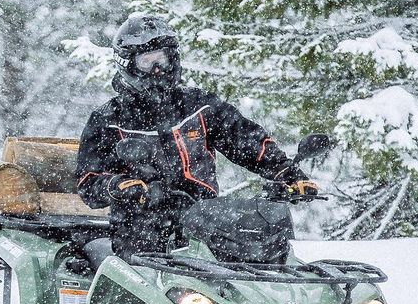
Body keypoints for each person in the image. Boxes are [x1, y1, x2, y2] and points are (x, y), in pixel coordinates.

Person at [76, 13, 318, 256]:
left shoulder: (199, 106)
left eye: (163, 59)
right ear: (128, 63)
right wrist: (117, 185)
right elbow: (88, 181)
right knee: (145, 280)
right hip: (142, 232)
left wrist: (285, 171)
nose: (158, 69)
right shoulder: (108, 120)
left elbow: (245, 140)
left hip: (206, 224)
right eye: (147, 61)